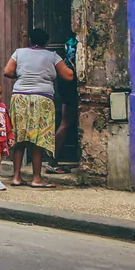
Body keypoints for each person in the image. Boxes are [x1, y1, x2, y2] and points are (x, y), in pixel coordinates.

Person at [4, 27, 74, 188]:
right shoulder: (52, 56)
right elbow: (68, 76)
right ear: (47, 42)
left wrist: (22, 75)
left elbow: (7, 71)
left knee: (19, 137)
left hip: (20, 98)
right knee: (38, 138)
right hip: (42, 99)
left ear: (30, 40)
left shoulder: (19, 53)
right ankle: (36, 178)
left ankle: (16, 177)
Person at [51, 36, 78, 174]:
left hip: (65, 86)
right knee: (65, 123)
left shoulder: (69, 44)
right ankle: (52, 160)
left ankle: (53, 159)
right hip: (70, 87)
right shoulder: (75, 43)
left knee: (65, 124)